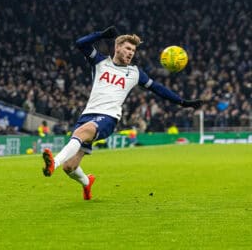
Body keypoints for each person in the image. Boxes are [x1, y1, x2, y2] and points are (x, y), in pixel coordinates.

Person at [41, 27, 202, 200]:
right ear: (117, 48)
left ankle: (53, 164)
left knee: (80, 134)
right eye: (127, 48)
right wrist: (102, 35)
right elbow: (80, 44)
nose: (131, 52)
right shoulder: (100, 62)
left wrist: (183, 102)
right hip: (88, 115)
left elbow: (158, 88)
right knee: (70, 167)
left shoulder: (135, 73)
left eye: (133, 50)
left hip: (108, 118)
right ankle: (87, 182)